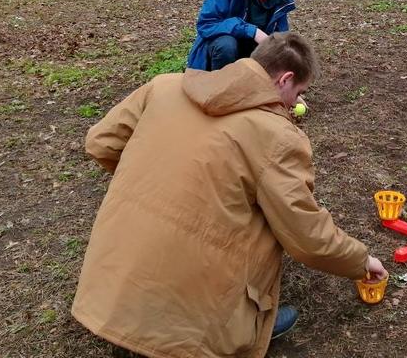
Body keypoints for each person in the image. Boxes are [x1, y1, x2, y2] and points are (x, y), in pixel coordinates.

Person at [72, 32, 388, 358]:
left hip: (108, 289)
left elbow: (99, 143)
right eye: (299, 93)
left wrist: (152, 173)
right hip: (189, 322)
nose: (297, 104)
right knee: (271, 222)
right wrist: (360, 260)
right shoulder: (277, 136)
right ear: (285, 79)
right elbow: (306, 234)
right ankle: (236, 320)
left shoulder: (163, 87)